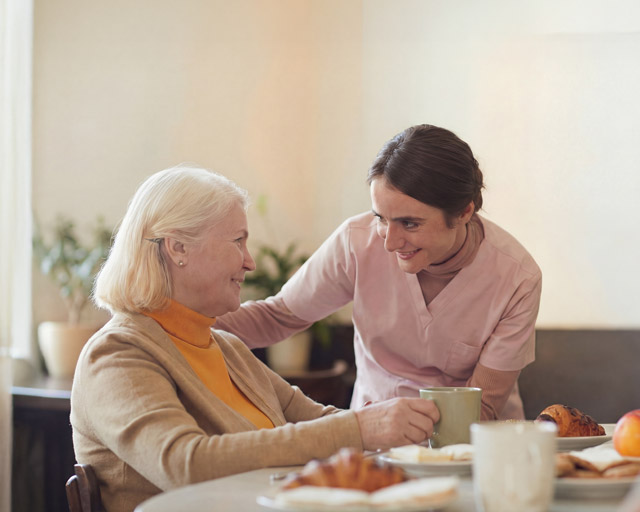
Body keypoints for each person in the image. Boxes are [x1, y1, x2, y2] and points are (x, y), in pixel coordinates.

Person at [70, 165, 439, 511]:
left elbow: (317, 420)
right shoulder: (117, 354)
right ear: (177, 247)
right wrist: (360, 428)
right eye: (237, 241)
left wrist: (400, 427)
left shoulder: (225, 347)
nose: (250, 262)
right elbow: (186, 463)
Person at [217, 124, 542, 420]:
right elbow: (276, 317)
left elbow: (481, 408)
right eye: (381, 218)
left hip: (474, 450)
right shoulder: (357, 242)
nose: (389, 242)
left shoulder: (517, 279)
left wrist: (402, 434)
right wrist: (175, 322)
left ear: (463, 212)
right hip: (375, 444)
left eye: (410, 224)